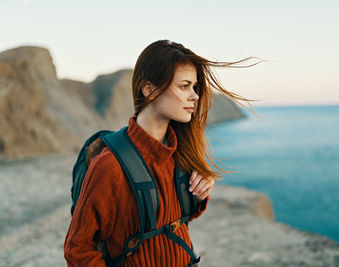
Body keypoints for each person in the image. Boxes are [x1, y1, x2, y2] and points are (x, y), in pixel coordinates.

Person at [64, 39, 260, 266]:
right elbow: (77, 250)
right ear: (149, 90)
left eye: (194, 87)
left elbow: (175, 220)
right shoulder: (110, 167)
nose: (194, 96)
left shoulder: (179, 153)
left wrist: (199, 194)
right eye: (184, 86)